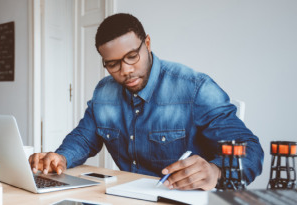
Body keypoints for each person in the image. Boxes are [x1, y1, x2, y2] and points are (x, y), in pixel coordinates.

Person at [28, 13, 264, 191]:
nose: (126, 70)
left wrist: (215, 171)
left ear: (148, 44)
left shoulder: (195, 88)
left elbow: (251, 149)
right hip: (126, 198)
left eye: (132, 56)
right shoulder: (104, 92)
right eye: (113, 64)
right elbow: (83, 138)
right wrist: (61, 157)